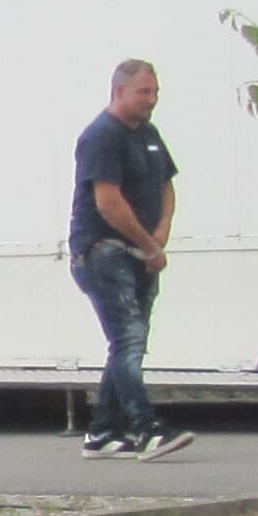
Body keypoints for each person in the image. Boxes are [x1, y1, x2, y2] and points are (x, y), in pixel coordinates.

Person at [67, 57, 190, 460]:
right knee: (129, 339)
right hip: (103, 252)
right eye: (144, 92)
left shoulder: (148, 134)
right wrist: (147, 245)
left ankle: (103, 432)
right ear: (119, 91)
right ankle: (146, 428)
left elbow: (166, 186)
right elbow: (108, 203)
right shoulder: (102, 136)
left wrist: (160, 236)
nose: (152, 100)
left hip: (142, 252)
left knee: (127, 343)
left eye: (155, 92)